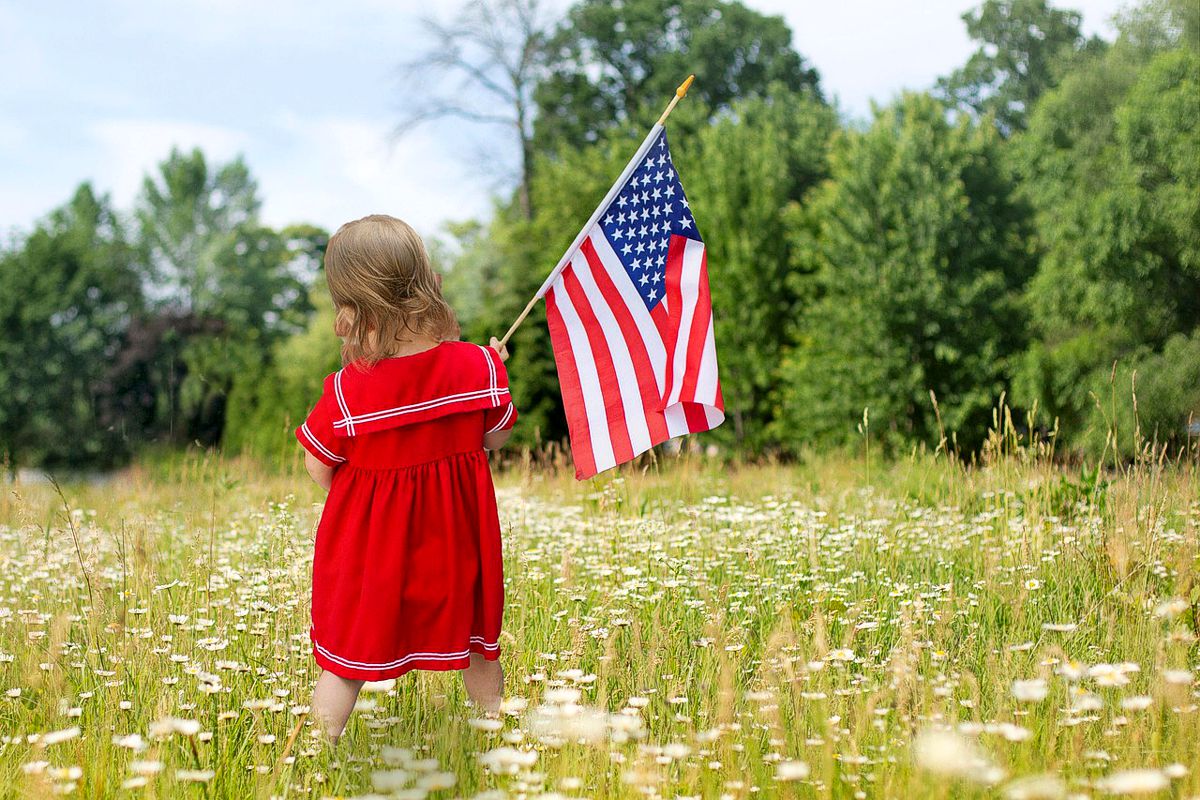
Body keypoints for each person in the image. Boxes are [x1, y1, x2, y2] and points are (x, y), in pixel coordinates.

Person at [294, 214, 516, 743]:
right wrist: (494, 370)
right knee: (477, 644)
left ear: (351, 305)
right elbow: (495, 440)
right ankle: (497, 733)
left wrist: (358, 498)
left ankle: (316, 751)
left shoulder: (350, 391)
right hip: (456, 544)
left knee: (346, 661)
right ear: (424, 281)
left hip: (372, 552)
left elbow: (318, 464)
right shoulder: (479, 368)